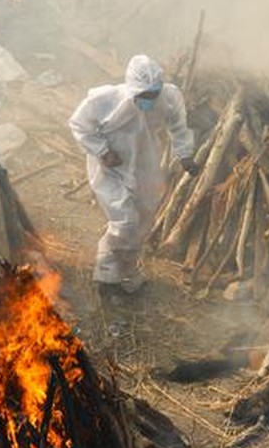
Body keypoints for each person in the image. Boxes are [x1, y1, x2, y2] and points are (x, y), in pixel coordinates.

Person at [69, 55, 197, 293]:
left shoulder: (169, 97)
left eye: (152, 95)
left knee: (144, 217)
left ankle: (128, 269)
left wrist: (185, 155)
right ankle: (106, 274)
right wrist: (103, 151)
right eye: (142, 95)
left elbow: (179, 127)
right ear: (131, 88)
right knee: (124, 220)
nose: (147, 100)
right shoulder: (105, 99)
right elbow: (79, 124)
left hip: (145, 163)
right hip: (111, 166)